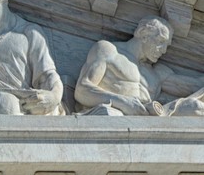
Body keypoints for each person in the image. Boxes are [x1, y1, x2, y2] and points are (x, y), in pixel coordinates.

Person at [75, 16, 204, 116]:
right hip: (111, 116)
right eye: (160, 42)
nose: (164, 50)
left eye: (167, 46)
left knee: (195, 107)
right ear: (143, 34)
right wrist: (123, 102)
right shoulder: (109, 50)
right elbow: (82, 90)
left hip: (148, 123)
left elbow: (195, 85)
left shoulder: (158, 73)